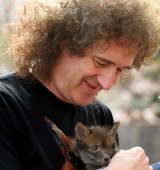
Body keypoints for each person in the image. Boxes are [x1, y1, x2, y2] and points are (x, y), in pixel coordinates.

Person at [0, 0, 160, 169]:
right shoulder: (6, 106)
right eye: (100, 63)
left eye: (120, 69)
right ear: (62, 44)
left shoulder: (100, 115)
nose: (107, 84)